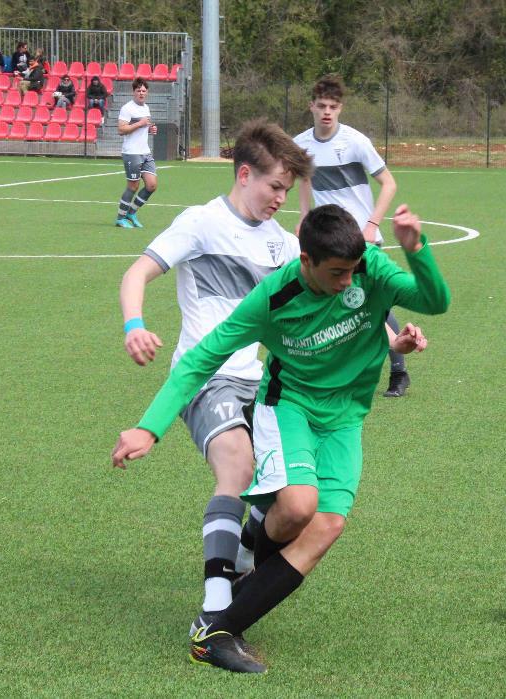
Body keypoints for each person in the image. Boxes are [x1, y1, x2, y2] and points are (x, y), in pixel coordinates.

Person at [111, 201, 448, 674]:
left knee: (326, 526)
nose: (348, 282)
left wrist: (417, 251)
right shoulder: (272, 298)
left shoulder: (366, 266)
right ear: (305, 260)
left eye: (352, 270)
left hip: (346, 417)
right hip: (288, 405)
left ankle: (217, 630)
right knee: (297, 507)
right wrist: (150, 425)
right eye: (336, 273)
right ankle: (234, 590)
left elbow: (435, 301)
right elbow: (202, 358)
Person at [116, 119, 314, 639]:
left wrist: (390, 338)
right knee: (237, 467)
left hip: (265, 385)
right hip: (207, 378)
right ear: (244, 174)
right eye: (274, 187)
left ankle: (244, 553)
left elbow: (329, 293)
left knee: (287, 498)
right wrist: (134, 325)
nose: (279, 199)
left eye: (286, 192)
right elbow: (137, 272)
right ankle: (216, 604)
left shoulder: (282, 244)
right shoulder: (200, 223)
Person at [294, 75, 408, 398]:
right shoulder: (301, 143)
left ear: (340, 108)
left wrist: (371, 224)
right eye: (321, 106)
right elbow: (303, 180)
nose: (327, 112)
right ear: (311, 107)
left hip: (360, 238)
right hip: (327, 240)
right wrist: (303, 217)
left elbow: (389, 183)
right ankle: (351, 372)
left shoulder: (356, 142)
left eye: (332, 106)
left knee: (367, 303)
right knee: (349, 302)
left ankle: (397, 371)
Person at [114, 77, 158, 228]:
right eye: (138, 90)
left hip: (145, 152)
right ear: (133, 92)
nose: (141, 93)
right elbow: (121, 130)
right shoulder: (127, 108)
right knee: (133, 186)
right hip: (132, 152)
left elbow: (145, 127)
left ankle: (131, 213)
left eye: (143, 91)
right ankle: (120, 218)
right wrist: (140, 124)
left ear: (147, 92)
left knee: (152, 185)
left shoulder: (146, 108)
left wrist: (151, 129)